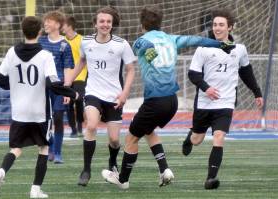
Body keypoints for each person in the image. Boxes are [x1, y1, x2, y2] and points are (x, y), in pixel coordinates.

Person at [101, 5, 236, 189]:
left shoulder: (140, 40)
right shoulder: (171, 39)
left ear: (142, 24)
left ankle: (123, 179)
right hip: (172, 101)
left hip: (155, 101)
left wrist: (150, 51)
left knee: (131, 138)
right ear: (160, 22)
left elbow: (144, 46)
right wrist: (220, 43)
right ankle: (164, 169)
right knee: (148, 131)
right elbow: (195, 40)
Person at [0, 16, 78, 198]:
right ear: (39, 32)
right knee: (43, 148)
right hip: (39, 112)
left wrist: (13, 85)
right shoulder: (45, 56)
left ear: (22, 31)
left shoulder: (12, 52)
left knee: (16, 149)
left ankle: (2, 171)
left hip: (19, 112)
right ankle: (35, 189)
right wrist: (74, 94)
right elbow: (53, 84)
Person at [181, 9, 263, 189]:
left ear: (230, 27)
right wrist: (206, 88)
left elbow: (246, 72)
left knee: (219, 137)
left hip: (225, 102)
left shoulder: (240, 50)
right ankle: (191, 135)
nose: (217, 28)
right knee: (197, 140)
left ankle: (210, 179)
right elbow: (193, 74)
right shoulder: (203, 48)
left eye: (221, 25)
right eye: (215, 25)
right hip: (204, 102)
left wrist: (257, 92)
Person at [66, 6, 136, 186]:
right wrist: (67, 83)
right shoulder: (86, 42)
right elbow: (81, 61)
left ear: (112, 24)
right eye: (102, 21)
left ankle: (112, 163)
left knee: (114, 140)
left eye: (108, 22)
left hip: (114, 96)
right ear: (95, 24)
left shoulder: (121, 44)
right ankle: (86, 170)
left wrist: (124, 93)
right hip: (93, 93)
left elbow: (130, 70)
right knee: (91, 125)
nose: (105, 24)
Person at [39, 11, 75, 164]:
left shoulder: (65, 45)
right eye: (45, 21)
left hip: (59, 87)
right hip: (43, 86)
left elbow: (68, 68)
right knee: (44, 120)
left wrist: (67, 90)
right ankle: (51, 147)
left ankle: (58, 153)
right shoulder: (40, 41)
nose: (46, 24)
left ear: (58, 25)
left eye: (49, 21)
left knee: (58, 118)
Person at [62, 16, 87, 138]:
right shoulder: (62, 41)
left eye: (64, 24)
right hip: (67, 77)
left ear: (70, 26)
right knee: (68, 103)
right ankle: (73, 129)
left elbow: (85, 59)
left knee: (79, 100)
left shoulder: (82, 40)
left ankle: (80, 126)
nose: (62, 26)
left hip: (80, 76)